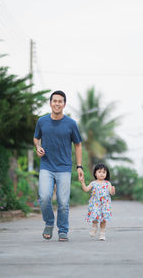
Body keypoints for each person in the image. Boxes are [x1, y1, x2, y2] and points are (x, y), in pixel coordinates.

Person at [33, 90, 84, 242]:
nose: (57, 104)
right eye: (54, 101)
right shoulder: (42, 121)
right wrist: (38, 147)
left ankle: (63, 230)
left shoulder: (71, 124)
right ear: (50, 103)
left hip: (64, 168)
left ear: (64, 104)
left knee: (63, 202)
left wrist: (79, 166)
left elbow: (78, 145)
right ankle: (49, 223)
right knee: (44, 197)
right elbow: (36, 138)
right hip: (46, 166)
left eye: (60, 101)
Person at [80, 163, 115, 241]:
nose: (102, 174)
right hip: (95, 203)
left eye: (104, 172)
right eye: (99, 172)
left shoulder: (107, 183)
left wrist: (112, 190)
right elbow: (86, 189)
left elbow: (111, 193)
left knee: (103, 219)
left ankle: (102, 233)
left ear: (106, 174)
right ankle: (94, 227)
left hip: (105, 204)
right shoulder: (93, 183)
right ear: (95, 173)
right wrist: (82, 182)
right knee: (95, 215)